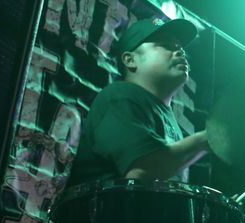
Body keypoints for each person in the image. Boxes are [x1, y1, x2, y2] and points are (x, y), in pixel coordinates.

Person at [68, 16, 209, 185]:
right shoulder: (119, 97)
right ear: (130, 60)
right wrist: (209, 139)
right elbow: (142, 172)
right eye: (166, 45)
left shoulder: (169, 119)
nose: (180, 52)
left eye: (180, 48)